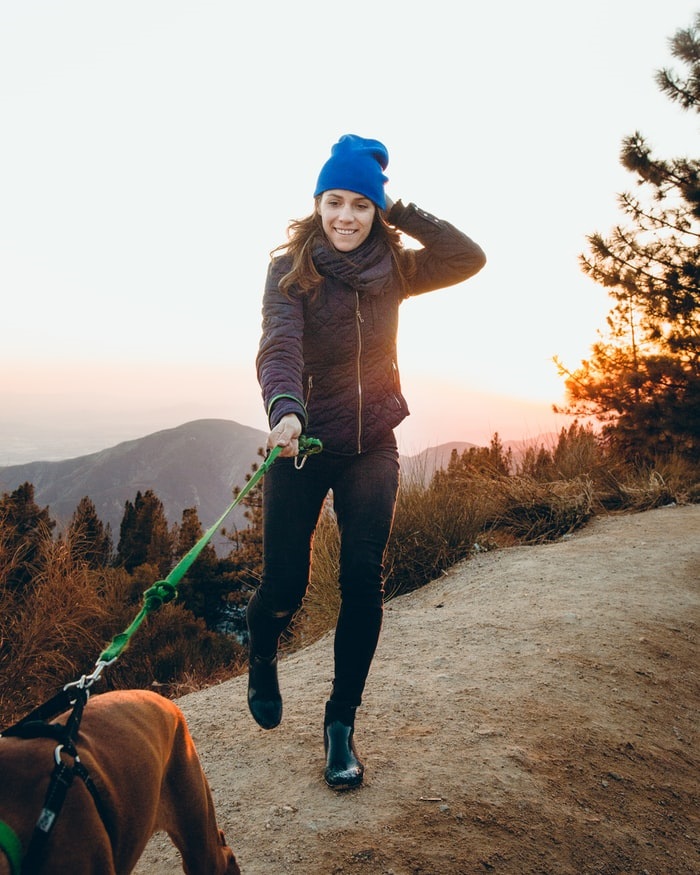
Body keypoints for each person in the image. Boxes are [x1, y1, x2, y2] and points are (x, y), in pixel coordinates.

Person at [247, 133, 486, 790]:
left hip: (373, 442)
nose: (345, 216)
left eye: (360, 203)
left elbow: (469, 256)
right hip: (305, 444)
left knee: (361, 578)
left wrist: (398, 207)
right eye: (334, 201)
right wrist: (286, 409)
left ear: (375, 209)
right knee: (285, 587)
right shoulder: (290, 269)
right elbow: (279, 347)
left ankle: (340, 724)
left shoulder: (397, 266)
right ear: (317, 202)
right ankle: (260, 644)